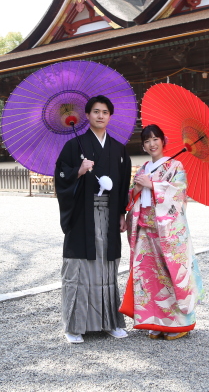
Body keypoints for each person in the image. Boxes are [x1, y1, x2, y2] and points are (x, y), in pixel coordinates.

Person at [54, 95, 132, 344]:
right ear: (86, 116)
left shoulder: (119, 149)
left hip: (109, 216)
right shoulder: (73, 146)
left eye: (105, 112)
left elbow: (122, 184)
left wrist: (122, 213)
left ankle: (109, 322)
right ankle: (74, 326)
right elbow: (61, 177)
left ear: (110, 116)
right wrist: (79, 170)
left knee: (106, 269)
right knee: (79, 268)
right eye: (96, 111)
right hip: (81, 216)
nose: (100, 116)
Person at [120, 124, 204, 340]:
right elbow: (131, 198)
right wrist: (138, 188)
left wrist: (154, 185)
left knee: (171, 274)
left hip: (168, 231)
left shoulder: (176, 165)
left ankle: (180, 323)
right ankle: (154, 321)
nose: (151, 144)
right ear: (144, 146)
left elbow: (178, 195)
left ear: (163, 141)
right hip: (145, 228)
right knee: (147, 276)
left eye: (155, 139)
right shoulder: (143, 168)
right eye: (147, 141)